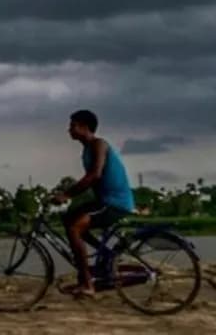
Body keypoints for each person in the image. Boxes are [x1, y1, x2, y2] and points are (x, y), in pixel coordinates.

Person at [49, 109, 135, 297]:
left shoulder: (99, 144)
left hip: (115, 203)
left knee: (74, 228)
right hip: (104, 201)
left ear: (84, 127)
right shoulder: (87, 149)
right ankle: (105, 258)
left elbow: (94, 175)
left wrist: (67, 195)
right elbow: (92, 180)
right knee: (69, 219)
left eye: (72, 125)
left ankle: (87, 283)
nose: (69, 129)